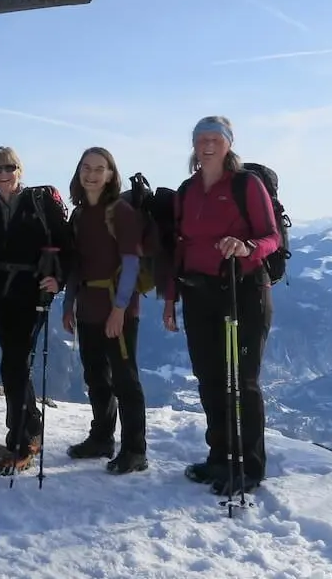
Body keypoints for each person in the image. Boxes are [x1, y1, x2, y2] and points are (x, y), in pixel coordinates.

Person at [164, 116, 280, 495]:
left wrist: (247, 247)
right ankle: (220, 457)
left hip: (242, 289)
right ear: (194, 145)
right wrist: (170, 298)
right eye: (201, 139)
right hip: (199, 293)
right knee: (210, 378)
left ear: (228, 143)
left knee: (241, 381)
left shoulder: (247, 184)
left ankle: (248, 466)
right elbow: (178, 247)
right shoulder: (188, 190)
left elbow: (271, 236)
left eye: (215, 139)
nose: (207, 145)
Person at [0, 146, 71, 476]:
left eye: (9, 167)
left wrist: (59, 279)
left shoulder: (40, 204)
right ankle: (28, 430)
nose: (2, 174)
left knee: (13, 363)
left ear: (19, 169)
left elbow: (65, 243)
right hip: (2, 296)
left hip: (32, 294)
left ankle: (22, 438)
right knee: (14, 364)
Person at [62, 147, 149, 475]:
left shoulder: (121, 212)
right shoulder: (80, 215)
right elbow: (75, 265)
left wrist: (119, 310)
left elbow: (131, 263)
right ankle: (101, 438)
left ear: (111, 174)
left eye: (100, 168)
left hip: (117, 307)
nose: (92, 174)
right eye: (86, 167)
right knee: (96, 377)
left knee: (125, 380)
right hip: (88, 305)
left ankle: (134, 449)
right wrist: (69, 305)